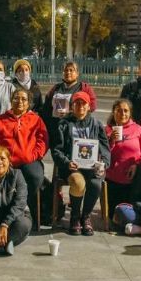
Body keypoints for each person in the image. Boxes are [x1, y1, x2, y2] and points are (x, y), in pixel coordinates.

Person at [0, 88, 48, 226]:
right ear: (11, 101)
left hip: (27, 161)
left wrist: (33, 155)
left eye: (24, 99)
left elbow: (43, 141)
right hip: (3, 161)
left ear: (29, 102)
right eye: (16, 98)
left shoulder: (36, 120)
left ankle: (26, 208)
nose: (20, 101)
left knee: (35, 176)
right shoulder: (0, 119)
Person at [51, 91, 110, 236]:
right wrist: (66, 162)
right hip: (71, 168)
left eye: (84, 103)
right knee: (78, 183)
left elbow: (105, 148)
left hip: (91, 167)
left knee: (96, 184)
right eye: (77, 103)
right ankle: (75, 217)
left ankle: (86, 216)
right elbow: (56, 150)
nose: (80, 107)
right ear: (72, 106)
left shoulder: (96, 124)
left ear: (89, 106)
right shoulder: (64, 124)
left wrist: (103, 164)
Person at [105, 98, 141, 212]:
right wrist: (111, 141)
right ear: (113, 112)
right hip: (112, 179)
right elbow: (101, 153)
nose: (122, 114)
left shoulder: (138, 129)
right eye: (119, 110)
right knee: (114, 215)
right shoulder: (107, 130)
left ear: (130, 113)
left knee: (129, 214)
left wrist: (137, 165)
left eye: (126, 110)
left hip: (133, 180)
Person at [40, 61, 97, 145]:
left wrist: (72, 112)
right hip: (56, 130)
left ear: (77, 73)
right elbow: (46, 107)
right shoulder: (56, 88)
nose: (68, 72)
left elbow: (92, 106)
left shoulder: (84, 88)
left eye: (71, 70)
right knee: (58, 153)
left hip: (75, 129)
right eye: (66, 70)